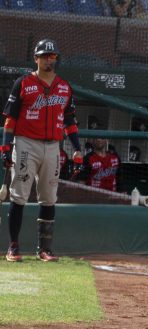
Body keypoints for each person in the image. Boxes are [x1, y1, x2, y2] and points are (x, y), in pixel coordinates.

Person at [2, 39, 82, 262]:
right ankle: (14, 246)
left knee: (49, 197)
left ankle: (44, 249)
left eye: (53, 56)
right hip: (26, 143)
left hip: (53, 146)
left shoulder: (65, 86)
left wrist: (77, 148)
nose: (49, 59)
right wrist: (6, 148)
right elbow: (10, 119)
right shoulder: (23, 83)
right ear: (35, 58)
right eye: (45, 55)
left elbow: (70, 121)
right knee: (19, 195)